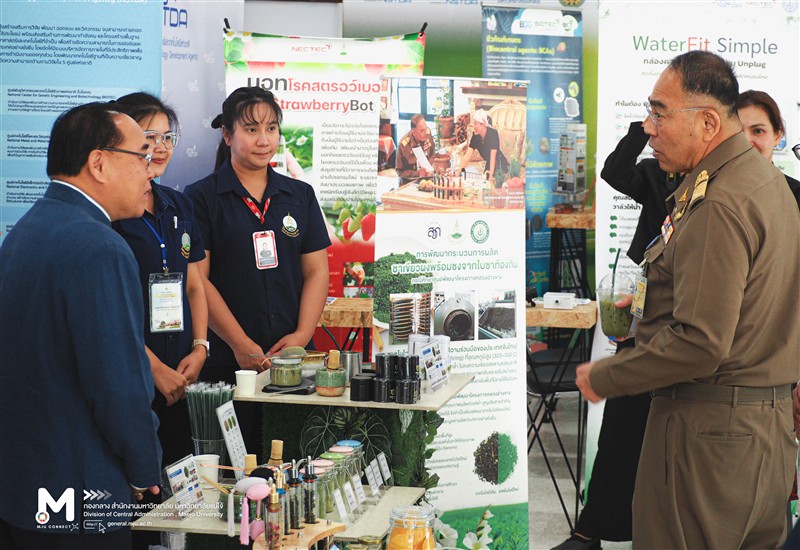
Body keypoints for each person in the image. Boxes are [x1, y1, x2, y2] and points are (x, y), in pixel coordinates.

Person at [576, 50, 800, 549]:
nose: (649, 128)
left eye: (659, 113)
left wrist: (606, 376)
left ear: (706, 122)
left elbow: (701, 343)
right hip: (761, 436)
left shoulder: (720, 202)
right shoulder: (766, 185)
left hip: (707, 442)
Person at [0, 103, 162, 549]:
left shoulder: (26, 230)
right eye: (143, 156)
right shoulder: (99, 247)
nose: (151, 172)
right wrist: (145, 471)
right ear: (99, 163)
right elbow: (118, 385)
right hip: (80, 495)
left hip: (22, 488)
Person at [553, 120, 678, 550]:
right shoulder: (660, 175)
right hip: (645, 310)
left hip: (697, 329)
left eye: (761, 131)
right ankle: (590, 531)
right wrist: (643, 129)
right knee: (621, 428)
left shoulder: (768, 192)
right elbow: (614, 171)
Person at [185, 87, 330, 455]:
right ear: (228, 134)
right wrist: (240, 344)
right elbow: (198, 280)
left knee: (296, 464)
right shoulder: (201, 197)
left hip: (293, 360)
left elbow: (317, 272)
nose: (264, 140)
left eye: (271, 128)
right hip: (227, 362)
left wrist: (301, 336)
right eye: (251, 129)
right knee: (232, 468)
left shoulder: (300, 195)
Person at [110, 92, 209, 549]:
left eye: (169, 136)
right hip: (136, 376)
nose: (162, 147)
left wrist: (201, 348)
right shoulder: (114, 212)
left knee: (179, 496)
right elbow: (112, 311)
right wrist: (155, 370)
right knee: (138, 499)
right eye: (150, 137)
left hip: (183, 374)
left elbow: (195, 285)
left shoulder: (178, 204)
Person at [737, 89, 800, 205]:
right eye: (738, 132)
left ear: (777, 135)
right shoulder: (713, 193)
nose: (746, 141)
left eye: (757, 131)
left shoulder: (795, 195)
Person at [458, 109, 508, 185]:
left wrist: (491, 175)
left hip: (499, 163)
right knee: (483, 183)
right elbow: (468, 155)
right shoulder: (475, 136)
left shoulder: (493, 134)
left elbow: (493, 157)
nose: (473, 126)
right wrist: (459, 170)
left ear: (483, 124)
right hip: (489, 163)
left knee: (492, 183)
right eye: (474, 123)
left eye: (476, 123)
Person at [396, 113, 435, 182]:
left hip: (427, 178)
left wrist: (428, 169)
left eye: (425, 128)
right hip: (410, 181)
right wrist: (417, 173)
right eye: (422, 131)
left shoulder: (428, 133)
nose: (425, 132)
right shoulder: (403, 145)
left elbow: (432, 153)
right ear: (413, 132)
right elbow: (399, 171)